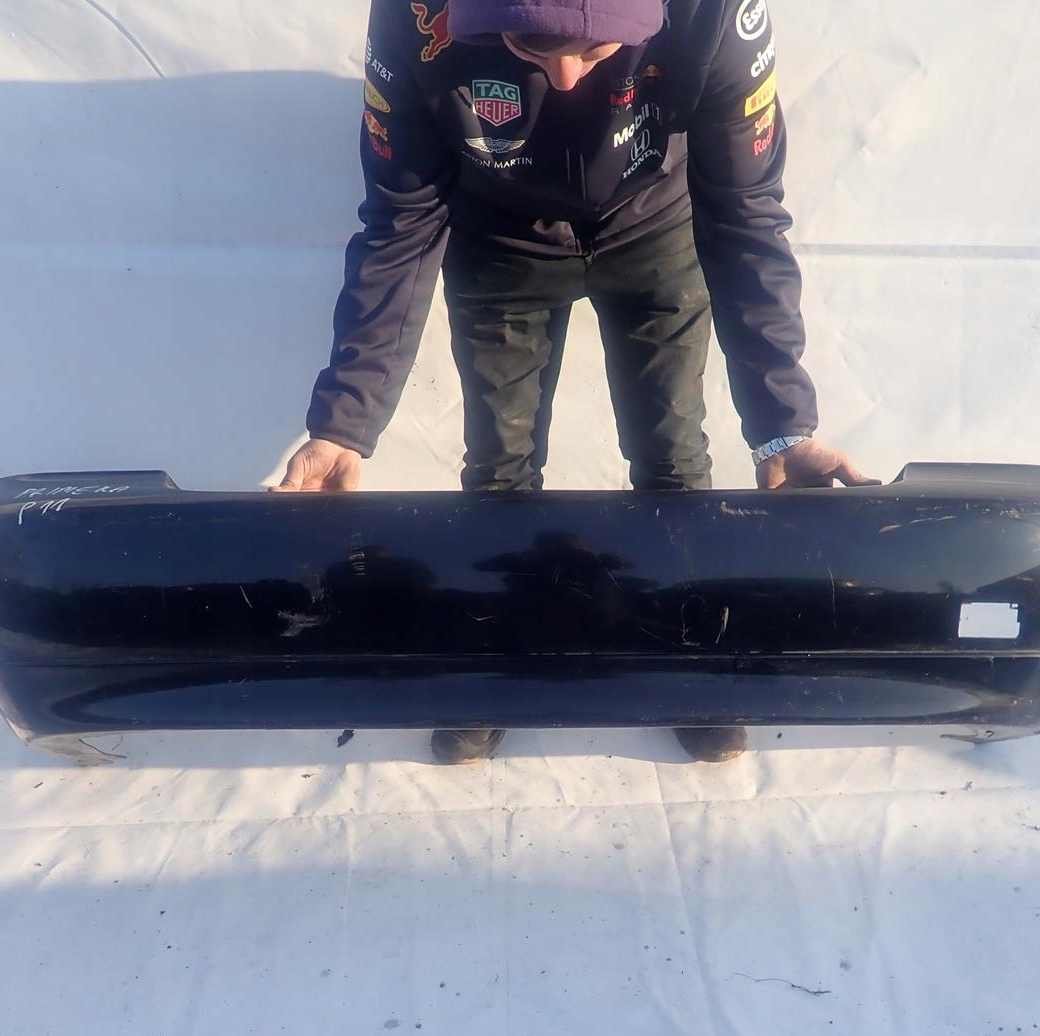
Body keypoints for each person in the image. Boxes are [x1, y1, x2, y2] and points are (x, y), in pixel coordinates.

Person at [271, 0, 878, 765]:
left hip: (656, 225)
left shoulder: (715, 11)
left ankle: (687, 654)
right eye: (529, 42)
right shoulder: (415, 11)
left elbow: (745, 212)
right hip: (499, 235)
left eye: (592, 49)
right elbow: (400, 219)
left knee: (672, 456)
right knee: (500, 468)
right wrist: (344, 424)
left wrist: (783, 423)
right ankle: (497, 657)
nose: (562, 77)